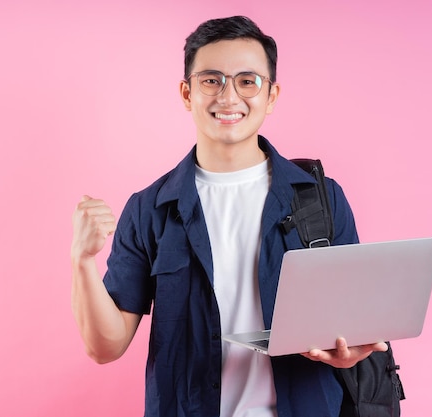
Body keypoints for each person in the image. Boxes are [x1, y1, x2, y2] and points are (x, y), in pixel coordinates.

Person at [71, 15, 388, 417]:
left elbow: (349, 327)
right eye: (211, 80)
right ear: (187, 94)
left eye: (247, 81)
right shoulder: (149, 209)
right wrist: (82, 261)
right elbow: (106, 346)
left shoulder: (321, 198)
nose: (229, 97)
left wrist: (348, 354)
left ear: (271, 96)